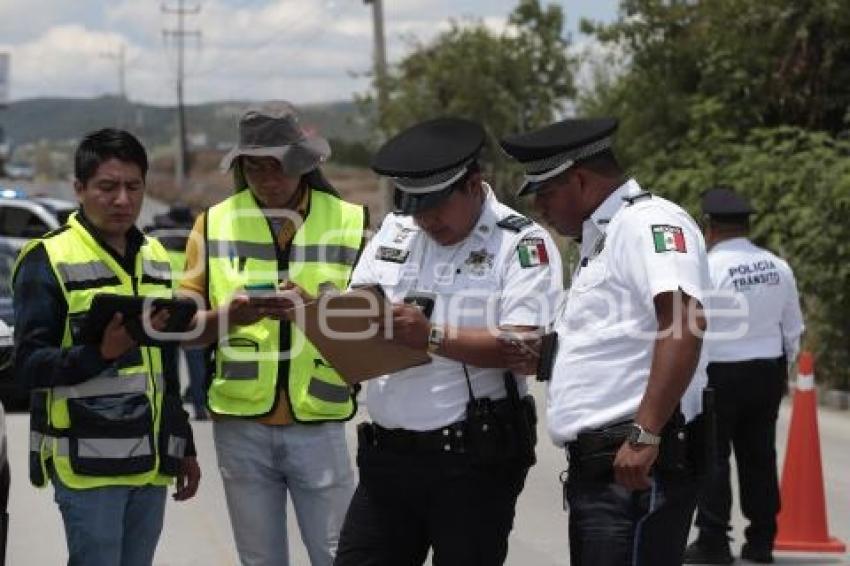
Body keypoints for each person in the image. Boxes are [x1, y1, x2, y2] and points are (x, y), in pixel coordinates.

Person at [333, 117, 563, 566]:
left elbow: (526, 352)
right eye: (415, 206)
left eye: (436, 205)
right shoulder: (397, 230)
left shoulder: (520, 244)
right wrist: (326, 314)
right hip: (387, 459)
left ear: (474, 185)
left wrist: (432, 336)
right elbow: (362, 299)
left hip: (471, 464)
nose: (426, 219)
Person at [500, 117, 710, 566]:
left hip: (634, 466)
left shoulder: (646, 223)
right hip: (606, 468)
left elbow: (684, 322)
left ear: (580, 178)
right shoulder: (602, 238)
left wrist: (646, 432)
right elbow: (615, 340)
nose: (539, 207)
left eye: (546, 192)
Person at [180, 102, 366, 566]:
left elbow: (371, 326)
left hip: (319, 422)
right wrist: (230, 317)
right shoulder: (212, 223)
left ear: (303, 162)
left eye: (278, 165)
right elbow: (186, 332)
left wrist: (313, 309)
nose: (268, 179)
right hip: (241, 427)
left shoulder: (350, 222)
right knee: (260, 560)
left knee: (335, 556)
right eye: (254, 167)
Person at [13, 128, 200, 566]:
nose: (121, 200)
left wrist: (183, 444)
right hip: (87, 470)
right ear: (79, 189)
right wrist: (101, 353)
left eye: (133, 187)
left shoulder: (155, 257)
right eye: (107, 187)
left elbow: (166, 367)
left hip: (150, 466)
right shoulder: (47, 260)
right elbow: (28, 366)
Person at [683, 187, 805, 565]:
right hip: (766, 371)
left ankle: (714, 541)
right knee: (760, 456)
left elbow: (694, 329)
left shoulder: (706, 268)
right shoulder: (777, 266)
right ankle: (762, 541)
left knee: (714, 458)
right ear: (746, 225)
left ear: (709, 226)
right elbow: (793, 328)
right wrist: (780, 370)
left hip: (720, 373)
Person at [146, 204, 209, 420]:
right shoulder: (196, 238)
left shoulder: (155, 237)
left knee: (167, 361)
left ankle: (169, 407)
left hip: (162, 304)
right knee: (195, 358)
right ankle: (200, 407)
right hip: (190, 304)